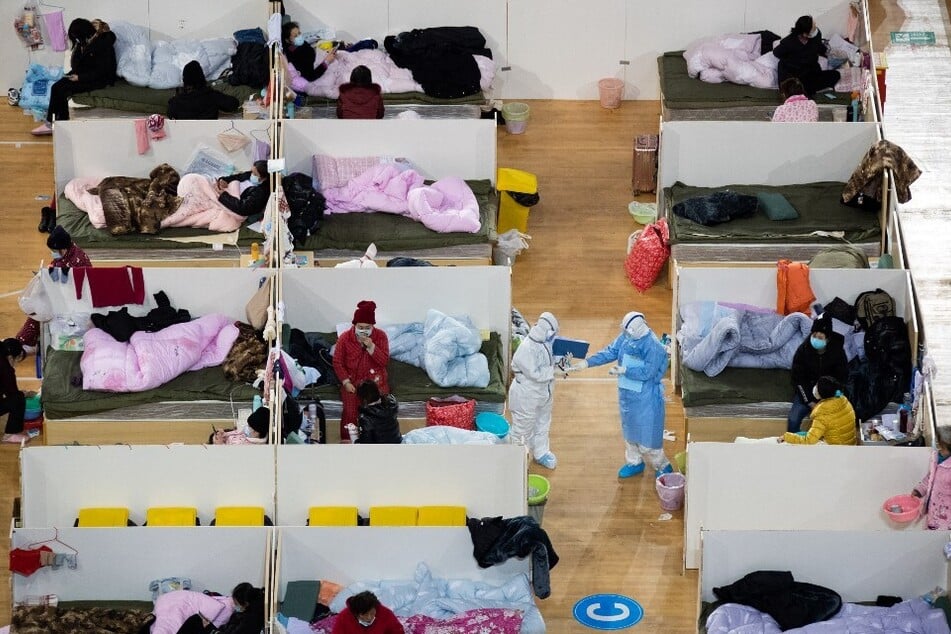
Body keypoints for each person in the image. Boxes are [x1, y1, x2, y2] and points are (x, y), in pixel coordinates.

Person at [569, 312, 672, 478]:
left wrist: (625, 370)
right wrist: (587, 363)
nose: (626, 335)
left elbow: (648, 372)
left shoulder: (653, 346)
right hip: (627, 395)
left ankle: (661, 464)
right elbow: (611, 351)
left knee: (648, 435)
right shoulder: (626, 337)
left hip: (646, 398)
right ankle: (634, 462)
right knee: (630, 431)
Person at [31, 18, 117, 135]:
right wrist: (73, 73)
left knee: (62, 89)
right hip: (83, 74)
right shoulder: (84, 42)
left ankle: (59, 123)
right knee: (56, 87)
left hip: (99, 79)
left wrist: (80, 78)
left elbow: (102, 71)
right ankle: (54, 122)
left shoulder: (102, 44)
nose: (75, 40)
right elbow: (79, 64)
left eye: (76, 37)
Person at [16, 225, 92, 354]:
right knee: (38, 304)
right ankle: (25, 340)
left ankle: (25, 341)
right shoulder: (68, 252)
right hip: (64, 292)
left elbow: (73, 286)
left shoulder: (76, 262)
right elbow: (58, 268)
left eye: (54, 250)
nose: (53, 252)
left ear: (62, 248)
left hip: (76, 299)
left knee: (39, 308)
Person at [508, 311, 560, 469]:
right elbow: (536, 374)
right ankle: (517, 459)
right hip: (527, 395)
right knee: (523, 428)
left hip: (544, 392)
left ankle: (541, 452)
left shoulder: (545, 341)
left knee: (543, 423)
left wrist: (562, 360)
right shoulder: (526, 348)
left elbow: (551, 359)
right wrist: (555, 370)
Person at [333, 301, 390, 442]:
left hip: (375, 383)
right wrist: (345, 382)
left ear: (372, 327)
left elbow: (384, 361)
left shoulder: (381, 336)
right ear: (354, 325)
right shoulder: (344, 339)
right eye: (360, 327)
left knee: (378, 412)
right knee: (350, 412)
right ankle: (347, 440)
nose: (363, 330)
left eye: (367, 327)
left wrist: (371, 347)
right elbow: (337, 362)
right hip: (353, 383)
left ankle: (377, 439)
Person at [788, 315, 848, 433]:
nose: (816, 339)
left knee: (836, 422)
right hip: (808, 393)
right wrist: (810, 402)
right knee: (793, 420)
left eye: (820, 337)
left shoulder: (838, 352)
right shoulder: (803, 350)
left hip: (828, 394)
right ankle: (792, 445)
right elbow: (798, 379)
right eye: (814, 336)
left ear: (827, 339)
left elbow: (842, 377)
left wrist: (831, 397)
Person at [772, 15, 840, 97]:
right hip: (793, 75)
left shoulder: (816, 35)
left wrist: (829, 53)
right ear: (805, 34)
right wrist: (792, 60)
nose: (816, 29)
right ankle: (800, 92)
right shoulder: (789, 42)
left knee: (836, 75)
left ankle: (804, 91)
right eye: (813, 28)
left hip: (811, 72)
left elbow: (819, 46)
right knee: (793, 88)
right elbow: (776, 52)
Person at [780, 376, 857, 445]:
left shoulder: (822, 414)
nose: (814, 388)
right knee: (800, 434)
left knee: (793, 439)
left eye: (816, 386)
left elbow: (809, 441)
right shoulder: (843, 400)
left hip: (833, 450)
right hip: (849, 444)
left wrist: (787, 437)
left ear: (822, 392)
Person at [167, 60, 241, 120]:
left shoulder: (177, 101)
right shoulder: (212, 96)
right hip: (209, 134)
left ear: (184, 80)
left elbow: (170, 114)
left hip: (186, 136)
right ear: (202, 77)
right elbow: (234, 104)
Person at [912, 426, 951, 530]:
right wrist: (919, 490)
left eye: (941, 447)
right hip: (933, 509)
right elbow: (930, 478)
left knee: (943, 539)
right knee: (932, 530)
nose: (938, 449)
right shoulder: (937, 459)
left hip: (947, 516)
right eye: (937, 445)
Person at [350, 380, 402, 444]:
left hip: (380, 450)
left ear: (363, 399)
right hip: (397, 442)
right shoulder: (391, 403)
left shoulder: (365, 417)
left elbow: (365, 443)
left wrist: (354, 435)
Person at [331, 590, 404, 634]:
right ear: (356, 613)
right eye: (364, 614)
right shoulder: (344, 617)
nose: (369, 617)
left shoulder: (386, 614)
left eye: (372, 613)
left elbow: (398, 632)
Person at [0, 339, 29, 445]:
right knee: (18, 398)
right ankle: (10, 434)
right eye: (16, 360)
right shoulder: (6, 369)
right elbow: (13, 394)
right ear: (11, 357)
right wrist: (23, 394)